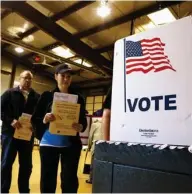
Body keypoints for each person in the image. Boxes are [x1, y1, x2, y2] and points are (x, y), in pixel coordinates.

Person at [31, 64, 87, 193]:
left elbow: (83, 120)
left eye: (68, 76)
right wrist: (45, 119)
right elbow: (35, 119)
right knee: (48, 179)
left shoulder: (79, 98)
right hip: (48, 144)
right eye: (63, 76)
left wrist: (81, 126)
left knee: (70, 180)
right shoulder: (46, 96)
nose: (66, 79)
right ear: (56, 76)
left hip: (70, 145)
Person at [1, 70, 39, 193]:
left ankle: (24, 190)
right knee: (6, 164)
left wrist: (36, 126)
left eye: (30, 79)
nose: (28, 81)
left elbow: (39, 115)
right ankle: (3, 189)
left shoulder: (36, 96)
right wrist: (10, 121)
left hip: (27, 136)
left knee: (26, 166)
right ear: (20, 78)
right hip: (10, 134)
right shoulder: (9, 93)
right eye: (25, 78)